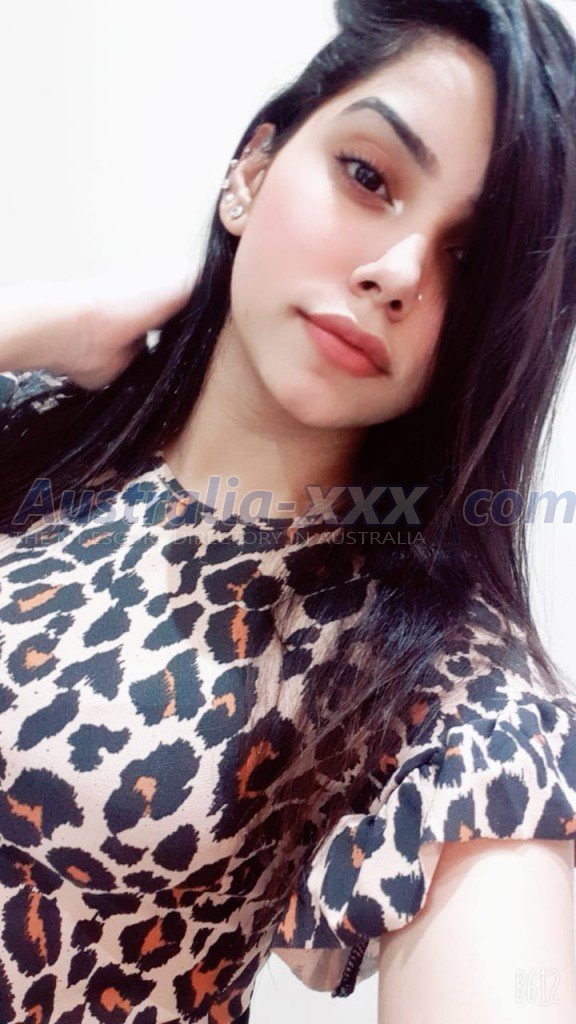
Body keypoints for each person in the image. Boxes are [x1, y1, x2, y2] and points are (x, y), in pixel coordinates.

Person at [1, 0, 576, 1021]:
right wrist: (48, 322)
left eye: (468, 259)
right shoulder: (39, 430)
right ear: (255, 167)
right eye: (368, 176)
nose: (396, 272)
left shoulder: (442, 678)